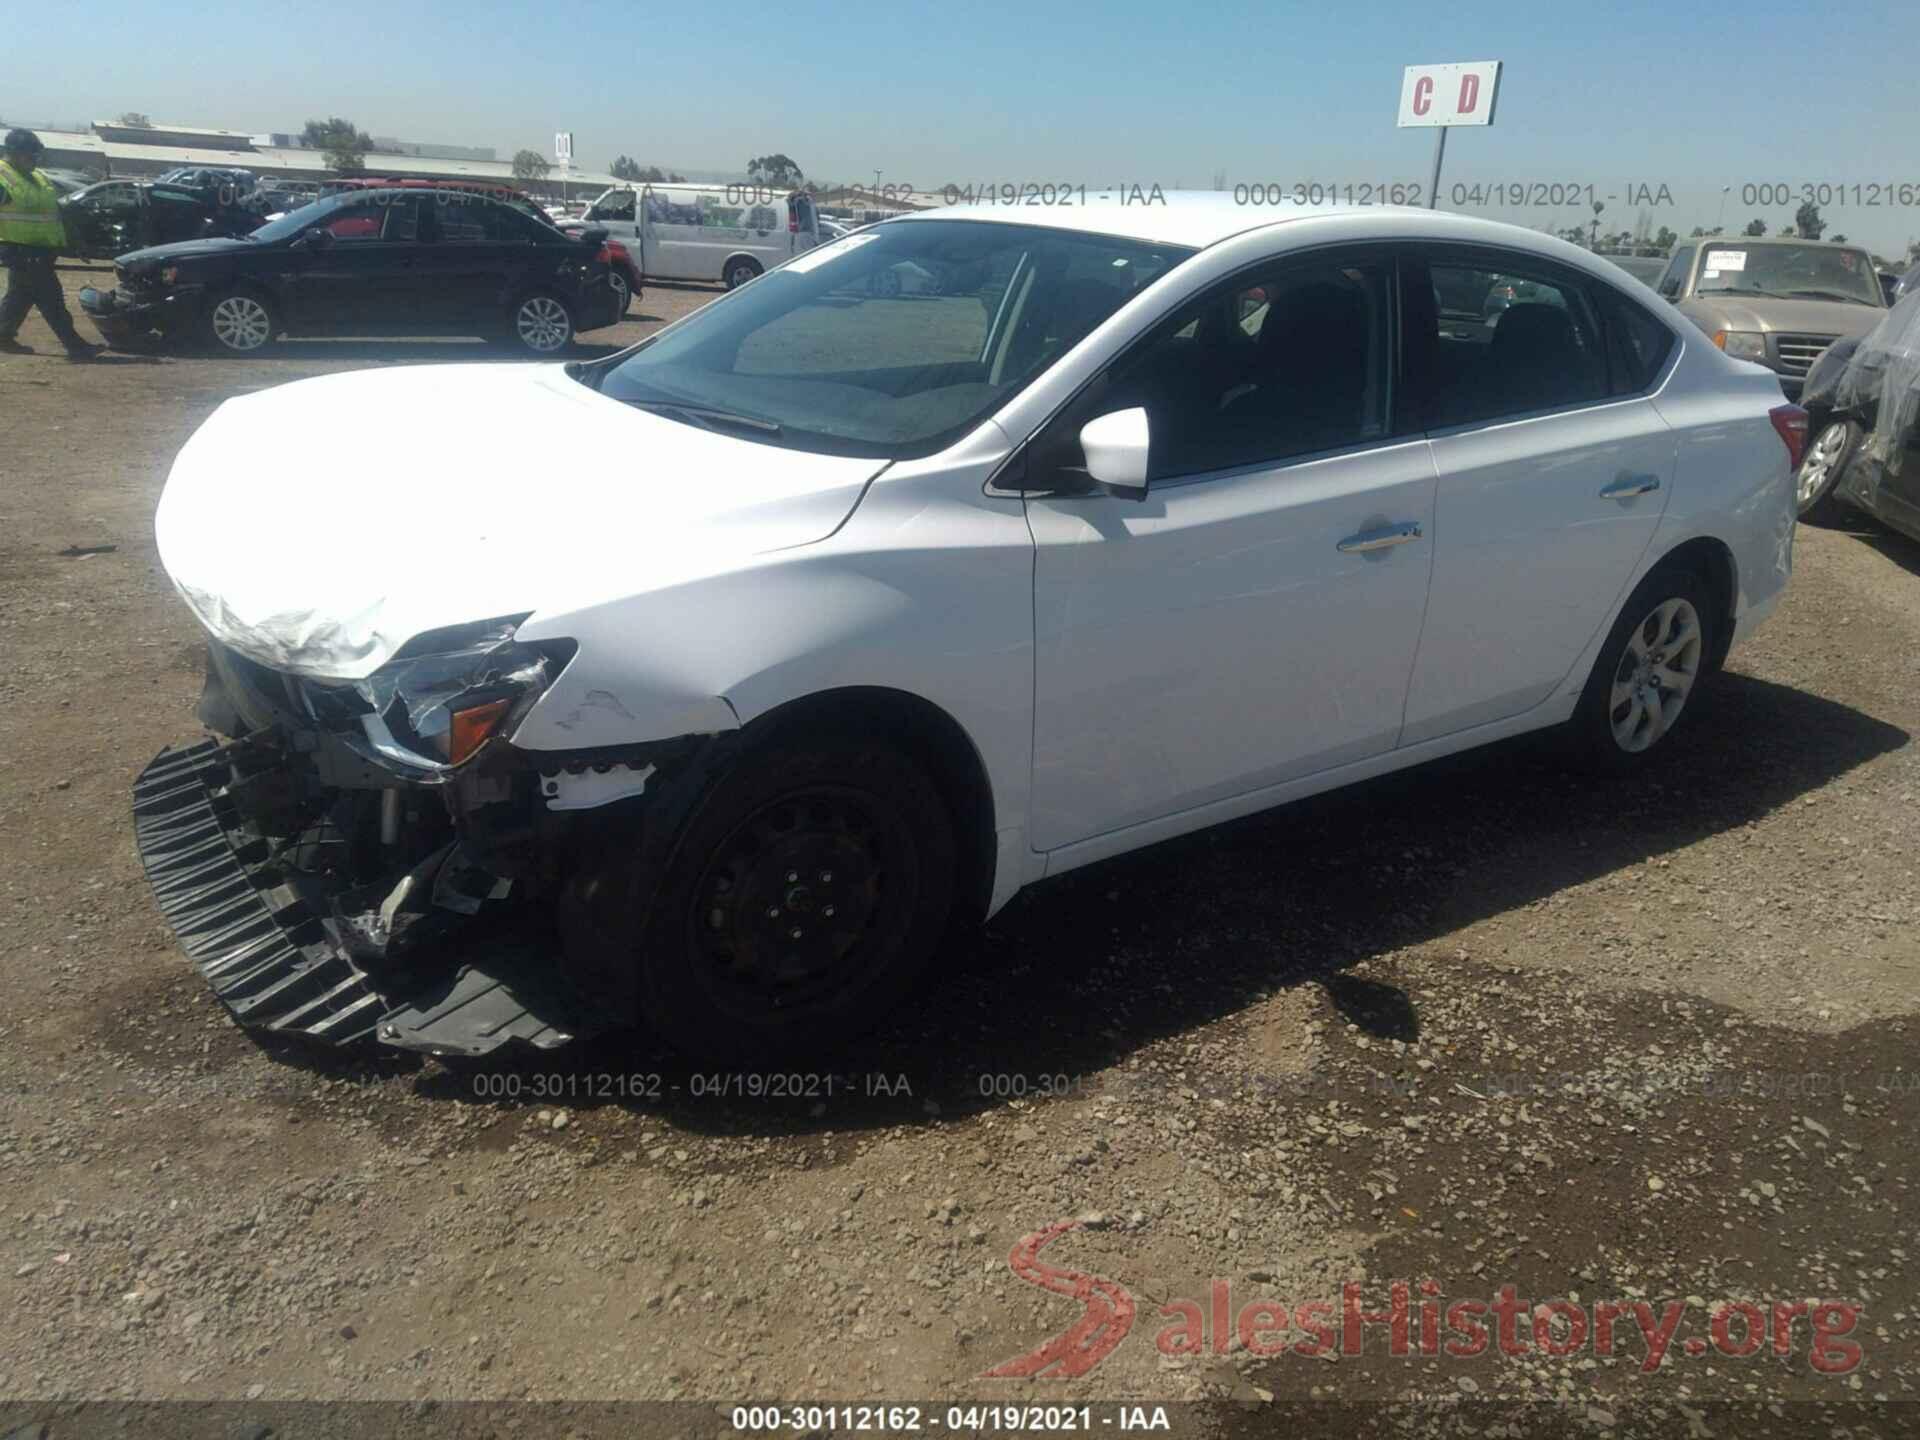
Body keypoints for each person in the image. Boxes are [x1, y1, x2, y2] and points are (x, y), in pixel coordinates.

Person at [0, 129, 100, 360]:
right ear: (13, 153)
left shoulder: (38, 177)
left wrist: (75, 243)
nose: (35, 160)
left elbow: (56, 213)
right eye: (29, 155)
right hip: (20, 249)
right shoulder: (3, 178)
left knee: (20, 296)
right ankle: (75, 345)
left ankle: (3, 336)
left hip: (42, 250)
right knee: (50, 297)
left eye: (37, 155)